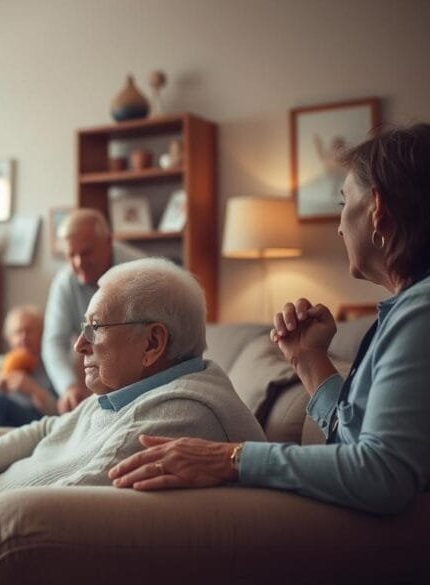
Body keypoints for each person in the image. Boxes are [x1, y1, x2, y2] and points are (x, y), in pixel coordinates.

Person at [108, 123, 430, 515]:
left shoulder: (419, 313)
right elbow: (357, 445)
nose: (340, 225)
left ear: (377, 209)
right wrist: (308, 361)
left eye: (344, 203)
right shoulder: (406, 311)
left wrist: (229, 458)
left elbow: (382, 474)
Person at [0, 258, 264, 559]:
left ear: (152, 343)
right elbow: (48, 427)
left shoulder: (182, 413)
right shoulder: (131, 390)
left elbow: (76, 499)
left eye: (95, 328)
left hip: (4, 547)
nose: (79, 344)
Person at [43, 209, 142, 414]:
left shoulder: (138, 272)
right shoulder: (64, 283)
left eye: (86, 253)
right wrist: (68, 387)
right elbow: (54, 342)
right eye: (71, 255)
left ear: (108, 243)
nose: (79, 263)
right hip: (91, 386)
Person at [0, 305, 57, 427]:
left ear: (42, 334)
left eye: (29, 331)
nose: (23, 337)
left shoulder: (50, 364)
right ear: (9, 338)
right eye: (18, 332)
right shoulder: (0, 362)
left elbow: (60, 410)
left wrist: (34, 390)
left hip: (33, 420)